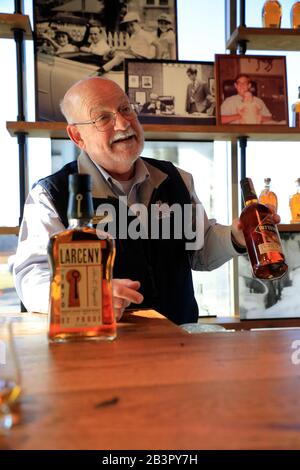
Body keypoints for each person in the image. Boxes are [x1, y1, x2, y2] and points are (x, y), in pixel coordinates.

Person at [13, 77, 278, 325]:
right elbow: (31, 277)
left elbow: (201, 250)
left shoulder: (177, 179)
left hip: (179, 343)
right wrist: (90, 296)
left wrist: (237, 236)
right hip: (98, 349)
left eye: (125, 109)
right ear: (77, 137)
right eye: (103, 118)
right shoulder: (50, 193)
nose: (123, 123)